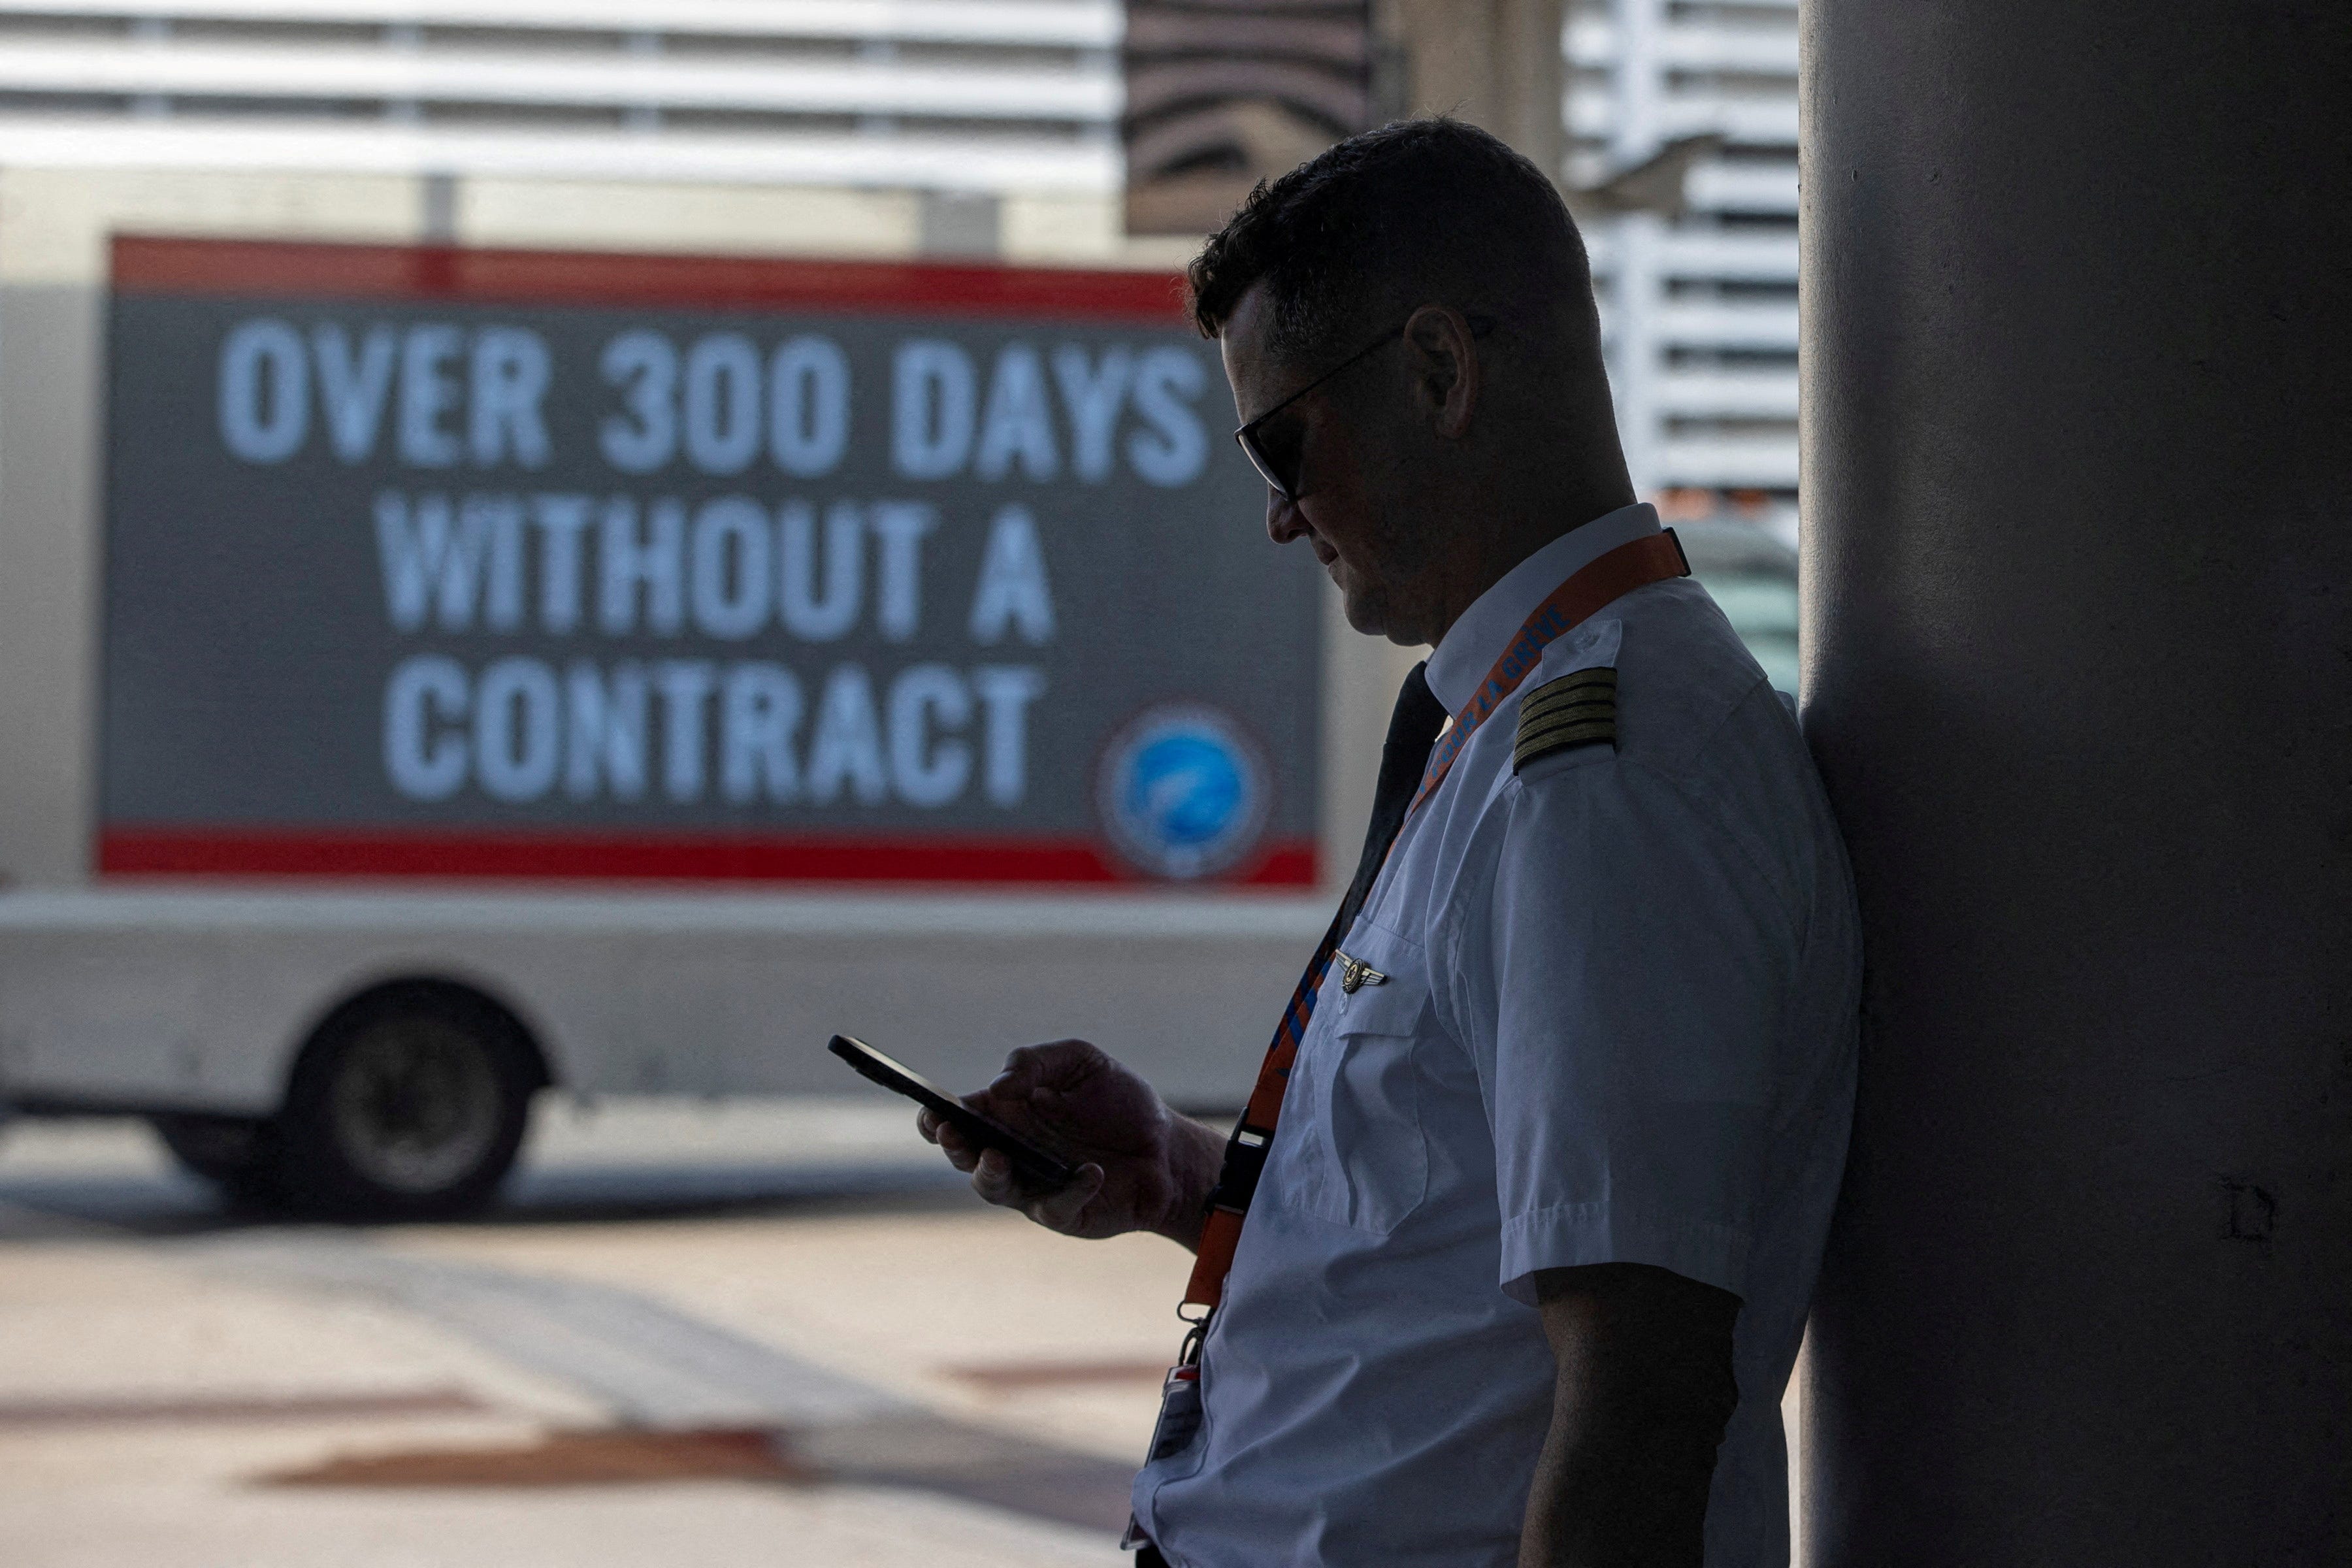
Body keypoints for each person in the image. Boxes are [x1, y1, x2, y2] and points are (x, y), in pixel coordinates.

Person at [920, 118, 1859, 1568]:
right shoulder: (1504, 727)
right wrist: (1176, 1171)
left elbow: (1640, 1396)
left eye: (1279, 444)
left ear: (1440, 372)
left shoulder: (1599, 777)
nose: (1284, 517)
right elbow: (1439, 1246)